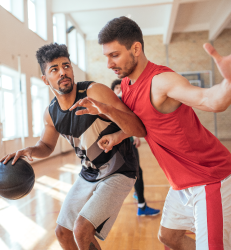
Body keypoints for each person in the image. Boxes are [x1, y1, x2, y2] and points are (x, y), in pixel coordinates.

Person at [70, 17, 231, 250]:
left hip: (209, 179)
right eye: (106, 56)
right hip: (181, 183)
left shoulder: (161, 82)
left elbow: (211, 100)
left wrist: (228, 82)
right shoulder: (127, 84)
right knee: (169, 238)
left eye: (114, 55)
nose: (108, 64)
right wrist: (119, 136)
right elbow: (143, 124)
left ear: (136, 48)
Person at [0, 43, 147, 250]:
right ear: (45, 79)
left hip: (119, 170)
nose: (63, 72)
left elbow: (138, 127)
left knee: (81, 229)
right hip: (89, 173)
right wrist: (30, 150)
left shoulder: (94, 91)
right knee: (62, 232)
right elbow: (46, 146)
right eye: (54, 69)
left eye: (66, 66)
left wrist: (104, 110)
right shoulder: (51, 113)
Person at [111, 79, 160, 216]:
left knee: (137, 172)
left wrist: (135, 136)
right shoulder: (115, 103)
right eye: (116, 87)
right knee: (136, 173)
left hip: (129, 141)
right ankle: (142, 207)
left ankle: (138, 195)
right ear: (112, 91)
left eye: (121, 87)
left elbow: (132, 122)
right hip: (121, 145)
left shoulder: (125, 104)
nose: (119, 89)